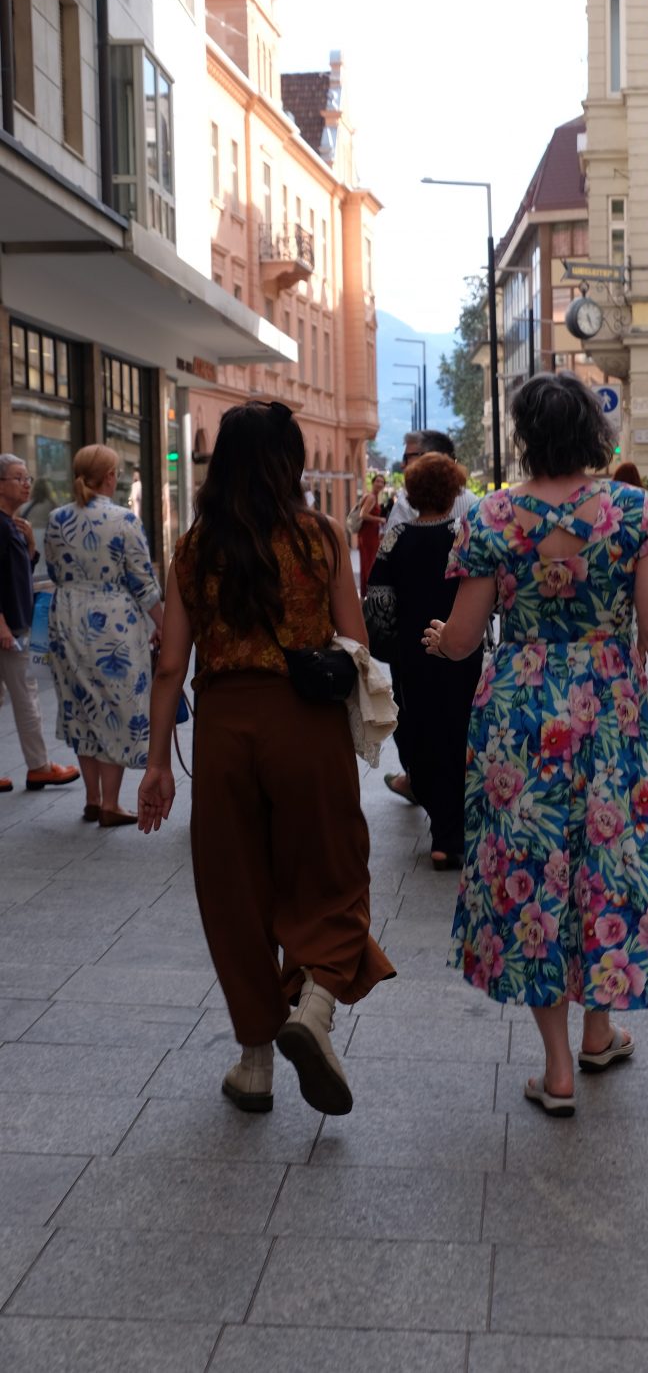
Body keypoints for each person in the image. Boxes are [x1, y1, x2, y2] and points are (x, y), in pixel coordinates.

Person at [422, 374, 648, 1116]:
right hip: (609, 711)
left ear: (525, 435)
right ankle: (599, 1030)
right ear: (591, 432)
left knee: (533, 869)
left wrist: (440, 639)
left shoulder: (491, 516)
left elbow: (464, 639)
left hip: (519, 715)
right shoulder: (633, 511)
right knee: (605, 859)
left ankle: (558, 1069)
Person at [136, 400, 394, 1117]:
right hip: (304, 724)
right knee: (331, 869)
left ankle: (254, 1062)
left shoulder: (192, 547)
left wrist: (157, 765)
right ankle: (314, 1006)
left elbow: (170, 665)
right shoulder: (319, 537)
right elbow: (357, 643)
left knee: (235, 889)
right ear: (289, 463)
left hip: (224, 728)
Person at [365, 454, 483, 869]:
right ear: (453, 492)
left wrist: (393, 644)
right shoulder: (464, 536)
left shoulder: (396, 538)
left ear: (412, 495)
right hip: (461, 650)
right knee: (460, 730)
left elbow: (378, 601)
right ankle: (453, 832)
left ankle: (441, 828)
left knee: (421, 730)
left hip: (413, 654)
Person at [44, 445, 164, 826]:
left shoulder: (57, 519)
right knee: (116, 707)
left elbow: (54, 569)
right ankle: (111, 803)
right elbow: (143, 583)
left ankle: (92, 799)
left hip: (66, 617)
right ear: (110, 477)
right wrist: (164, 625)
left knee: (80, 706)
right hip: (112, 623)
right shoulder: (124, 520)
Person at [0, 454, 79, 795]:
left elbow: (15, 575)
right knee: (27, 697)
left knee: (21, 696)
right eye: (18, 477)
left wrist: (31, 546)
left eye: (28, 477)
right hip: (9, 629)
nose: (26, 483)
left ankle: (39, 767)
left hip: (15, 624)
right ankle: (40, 767)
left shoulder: (12, 524)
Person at [383, 429, 476, 535]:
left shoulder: (405, 503)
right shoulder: (473, 502)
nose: (402, 465)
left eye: (407, 457)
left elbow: (390, 540)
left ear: (430, 458)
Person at [356, 472, 388, 598]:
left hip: (369, 534)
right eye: (377, 481)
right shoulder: (371, 497)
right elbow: (363, 514)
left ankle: (365, 595)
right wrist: (380, 519)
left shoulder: (372, 496)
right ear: (373, 483)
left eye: (382, 482)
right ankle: (370, 595)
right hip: (368, 536)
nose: (379, 484)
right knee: (370, 564)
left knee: (366, 564)